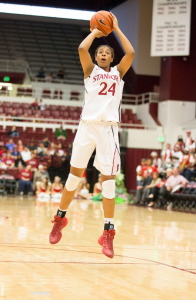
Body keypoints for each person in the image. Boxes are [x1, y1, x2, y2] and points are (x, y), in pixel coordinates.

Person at [49, 12, 135, 259]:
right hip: (87, 127)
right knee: (73, 178)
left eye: (107, 52)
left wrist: (116, 29)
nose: (103, 54)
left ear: (111, 57)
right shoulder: (91, 72)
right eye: (100, 53)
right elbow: (81, 47)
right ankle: (60, 219)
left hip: (108, 128)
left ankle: (107, 232)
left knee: (108, 182)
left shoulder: (118, 74)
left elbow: (130, 54)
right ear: (96, 58)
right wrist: (97, 30)